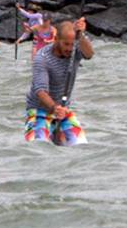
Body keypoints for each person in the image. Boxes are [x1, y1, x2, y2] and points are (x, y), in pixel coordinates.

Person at [25, 18, 92, 146]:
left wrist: (80, 35)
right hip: (39, 110)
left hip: (63, 110)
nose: (70, 49)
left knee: (81, 145)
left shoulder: (75, 51)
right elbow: (40, 91)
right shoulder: (42, 58)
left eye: (72, 44)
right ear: (56, 39)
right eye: (66, 44)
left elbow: (89, 54)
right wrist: (55, 109)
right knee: (39, 146)